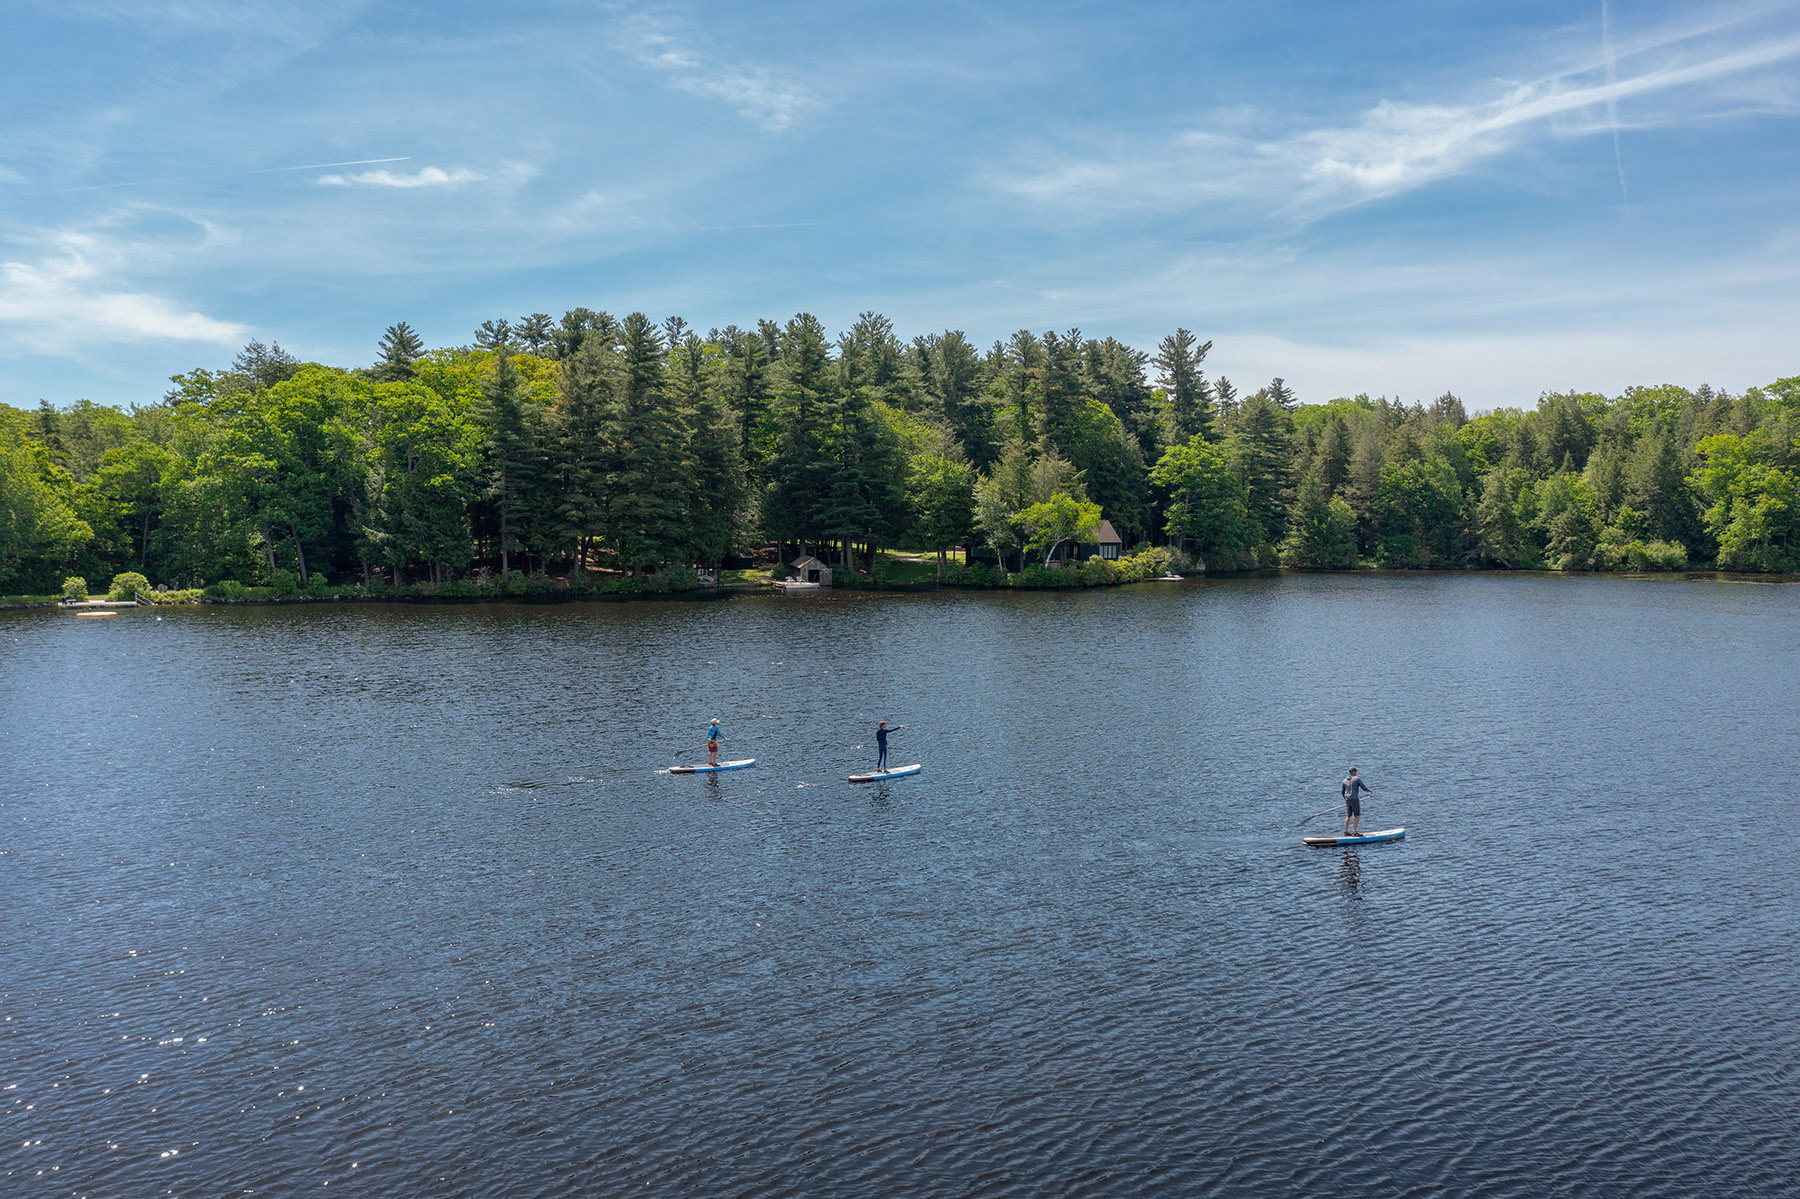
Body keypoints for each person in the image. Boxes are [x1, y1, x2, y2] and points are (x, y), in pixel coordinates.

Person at [1342, 767, 1373, 837]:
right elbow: (1363, 787)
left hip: (1347, 799)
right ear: (1353, 772)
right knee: (1357, 815)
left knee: (1349, 815)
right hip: (1354, 799)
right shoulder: (1356, 779)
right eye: (1356, 772)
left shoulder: (1344, 780)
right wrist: (1369, 790)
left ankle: (1346, 831)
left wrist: (1345, 799)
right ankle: (1354, 832)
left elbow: (1342, 792)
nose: (1356, 773)